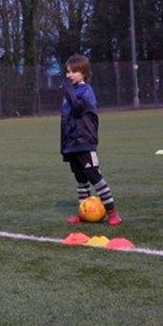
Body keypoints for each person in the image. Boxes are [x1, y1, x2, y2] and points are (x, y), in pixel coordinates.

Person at [61, 54, 122, 226]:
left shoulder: (86, 91)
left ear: (84, 73)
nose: (69, 75)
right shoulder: (71, 91)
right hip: (71, 144)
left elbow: (78, 108)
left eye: (73, 72)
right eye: (67, 72)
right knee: (81, 180)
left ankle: (112, 212)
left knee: (95, 176)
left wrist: (69, 91)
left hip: (84, 142)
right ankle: (83, 212)